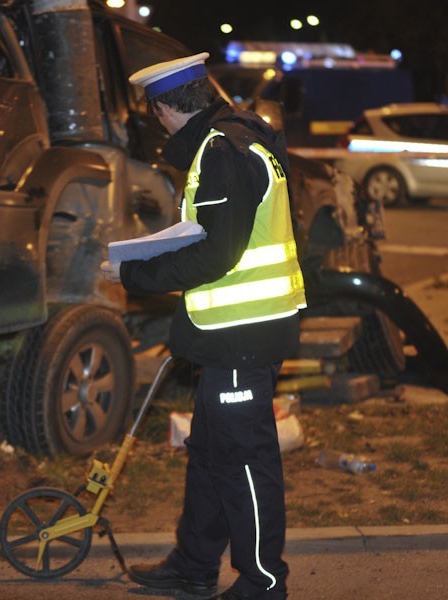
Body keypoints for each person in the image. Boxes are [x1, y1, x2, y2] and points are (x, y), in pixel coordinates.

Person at [100, 52, 306, 599]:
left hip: (243, 333)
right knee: (213, 453)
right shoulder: (242, 137)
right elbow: (221, 233)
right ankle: (193, 565)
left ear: (167, 107)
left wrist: (134, 272)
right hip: (239, 331)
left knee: (243, 459)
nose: (159, 125)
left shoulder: (221, 150)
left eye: (157, 115)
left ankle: (263, 583)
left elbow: (217, 253)